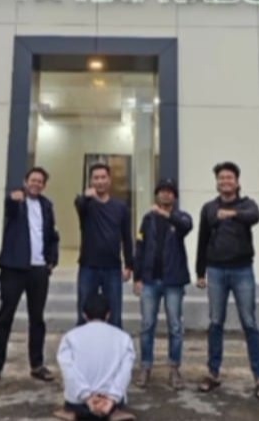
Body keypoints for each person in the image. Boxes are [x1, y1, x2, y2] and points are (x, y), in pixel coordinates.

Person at [195, 161, 259, 399]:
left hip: (242, 270)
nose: (225, 181)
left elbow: (254, 217)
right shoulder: (209, 208)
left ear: (237, 182)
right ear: (216, 183)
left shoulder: (247, 205)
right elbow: (202, 239)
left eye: (229, 178)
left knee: (249, 322)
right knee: (216, 322)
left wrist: (233, 213)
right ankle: (213, 372)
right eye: (221, 178)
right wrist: (200, 272)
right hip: (216, 270)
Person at [0, 167, 60, 387]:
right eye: (32, 180)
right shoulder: (16, 200)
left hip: (39, 270)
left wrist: (51, 260)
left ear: (44, 185)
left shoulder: (47, 205)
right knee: (5, 317)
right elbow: (9, 208)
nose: (36, 184)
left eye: (40, 181)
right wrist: (13, 198)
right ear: (26, 182)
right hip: (14, 268)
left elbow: (52, 234)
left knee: (37, 318)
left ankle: (37, 364)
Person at [133, 178, 192, 390]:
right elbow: (140, 248)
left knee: (175, 326)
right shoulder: (148, 219)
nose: (166, 194)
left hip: (173, 281)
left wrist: (166, 215)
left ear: (174, 196)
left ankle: (174, 368)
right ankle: (145, 367)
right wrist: (137, 277)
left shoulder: (181, 217)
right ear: (157, 195)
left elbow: (187, 226)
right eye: (162, 191)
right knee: (147, 325)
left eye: (170, 192)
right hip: (150, 280)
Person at [55, 293, 136, 421]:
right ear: (108, 314)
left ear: (84, 315)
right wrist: (112, 399)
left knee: (71, 393)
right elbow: (125, 372)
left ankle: (72, 412)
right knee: (118, 392)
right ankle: (114, 412)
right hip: (110, 403)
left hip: (80, 403)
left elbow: (69, 371)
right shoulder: (123, 338)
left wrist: (87, 397)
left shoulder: (70, 337)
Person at [75, 163, 133, 329]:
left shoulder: (120, 207)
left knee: (114, 314)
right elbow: (80, 205)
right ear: (91, 181)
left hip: (113, 267)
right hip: (88, 266)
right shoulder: (85, 204)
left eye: (103, 177)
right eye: (96, 178)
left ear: (109, 180)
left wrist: (129, 265)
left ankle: (114, 344)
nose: (100, 181)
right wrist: (86, 197)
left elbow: (126, 237)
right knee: (84, 312)